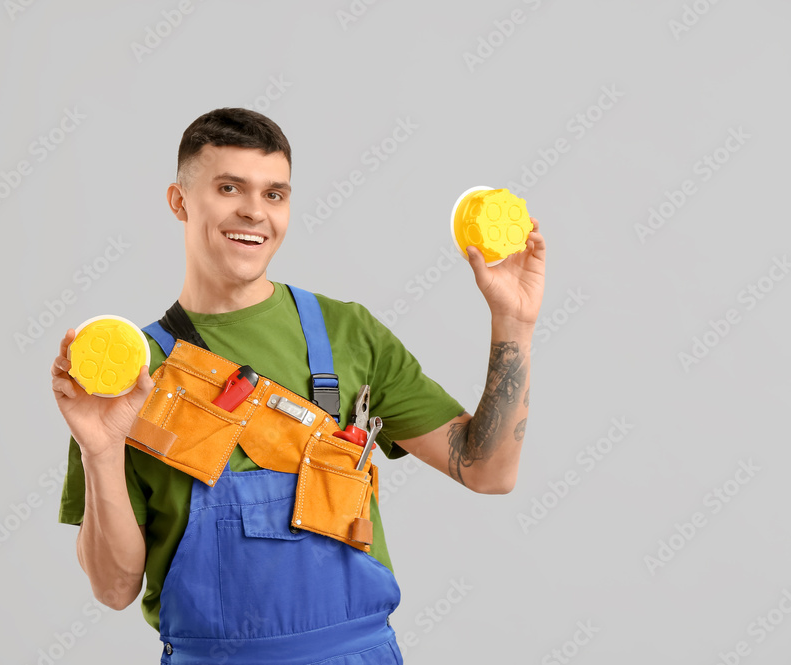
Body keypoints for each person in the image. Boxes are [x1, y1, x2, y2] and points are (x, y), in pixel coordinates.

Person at [51, 107, 546, 663]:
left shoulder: (347, 333)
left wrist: (515, 323)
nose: (253, 212)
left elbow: (489, 470)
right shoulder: (130, 376)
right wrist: (101, 449)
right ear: (179, 200)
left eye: (274, 194)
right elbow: (114, 588)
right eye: (229, 187)